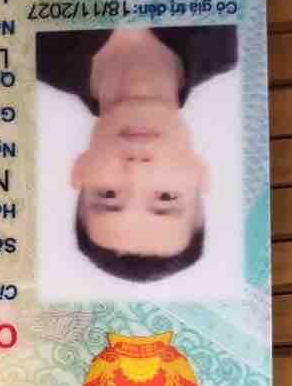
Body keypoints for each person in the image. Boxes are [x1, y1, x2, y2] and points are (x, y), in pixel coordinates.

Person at [35, 26, 237, 282]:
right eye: (166, 196)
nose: (137, 168)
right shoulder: (228, 38)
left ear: (79, 171)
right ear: (201, 174)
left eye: (109, 194)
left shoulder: (32, 47)